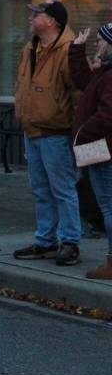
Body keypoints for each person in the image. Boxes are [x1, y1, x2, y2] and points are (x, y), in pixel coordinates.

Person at [11, 0, 81, 265]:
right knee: (41, 188)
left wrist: (77, 130)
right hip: (33, 129)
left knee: (62, 188)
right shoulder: (31, 47)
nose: (31, 17)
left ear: (51, 21)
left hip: (56, 131)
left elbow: (77, 93)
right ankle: (46, 240)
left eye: (36, 14)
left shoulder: (67, 50)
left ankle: (70, 242)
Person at [68, 24, 112, 279]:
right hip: (97, 147)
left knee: (108, 207)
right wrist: (76, 49)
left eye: (99, 41)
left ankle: (111, 262)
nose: (96, 45)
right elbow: (83, 79)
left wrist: (82, 134)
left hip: (103, 149)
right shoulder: (103, 73)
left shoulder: (109, 76)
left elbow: (107, 115)